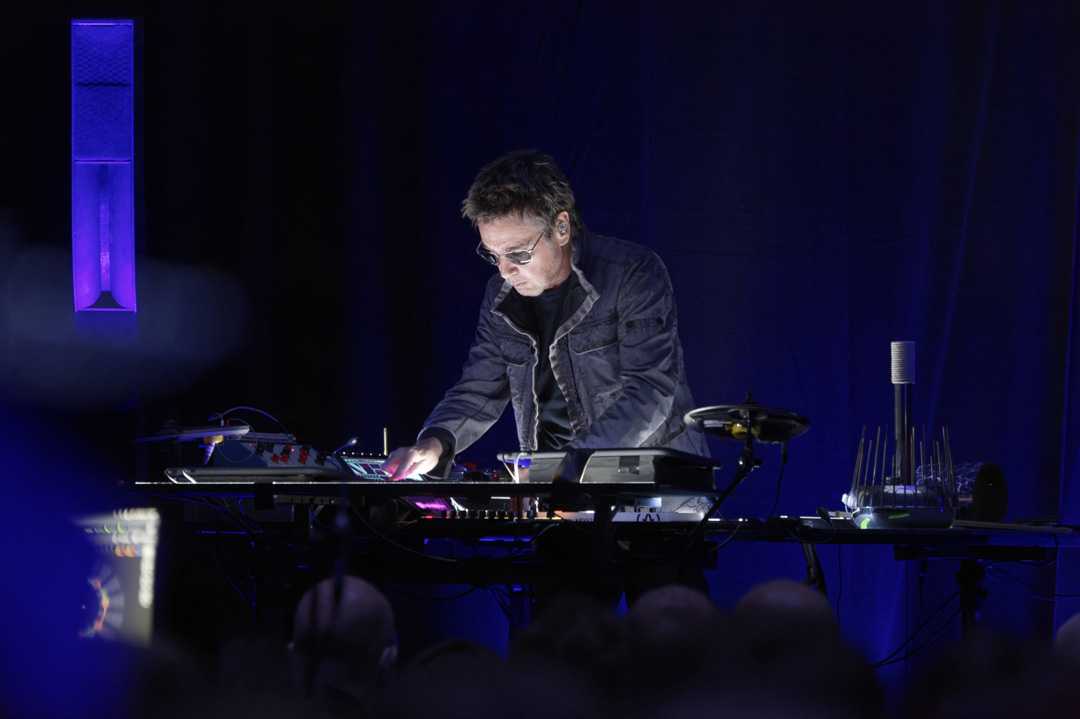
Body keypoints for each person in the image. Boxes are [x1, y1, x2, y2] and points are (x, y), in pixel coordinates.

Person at [383, 149, 707, 481]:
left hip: (650, 486)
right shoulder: (500, 294)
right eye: (492, 255)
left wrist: (571, 466)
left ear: (562, 227)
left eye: (518, 253)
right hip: (556, 488)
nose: (505, 270)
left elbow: (650, 390)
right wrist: (433, 445)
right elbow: (479, 388)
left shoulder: (632, 273)